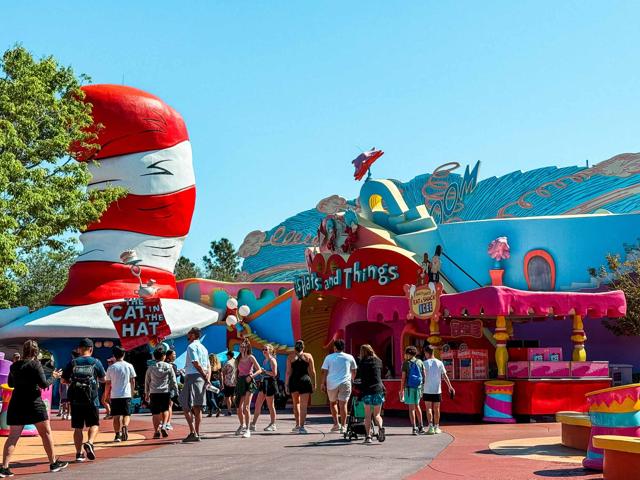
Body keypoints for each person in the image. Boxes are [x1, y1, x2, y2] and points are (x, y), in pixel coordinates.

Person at [0, 340, 68, 476]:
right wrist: (53, 377)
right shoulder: (36, 365)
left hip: (17, 404)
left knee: (13, 437)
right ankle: (53, 463)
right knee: (46, 433)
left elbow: (11, 384)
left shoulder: (14, 366)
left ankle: (4, 467)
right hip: (34, 403)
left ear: (24, 351)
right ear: (36, 352)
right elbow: (44, 384)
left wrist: (15, 367)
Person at [62, 338, 106, 462]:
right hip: (92, 399)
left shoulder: (73, 363)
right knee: (94, 424)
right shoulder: (96, 362)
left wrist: (73, 382)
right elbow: (104, 379)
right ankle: (90, 442)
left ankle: (79, 454)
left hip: (76, 400)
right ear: (91, 349)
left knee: (78, 428)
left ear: (79, 349)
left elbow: (63, 380)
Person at [180, 327, 210, 442]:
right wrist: (206, 378)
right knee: (198, 407)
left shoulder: (191, 346)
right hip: (201, 378)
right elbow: (208, 366)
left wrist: (203, 375)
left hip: (192, 376)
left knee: (185, 404)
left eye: (189, 333)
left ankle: (193, 432)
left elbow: (195, 362)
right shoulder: (204, 348)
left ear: (193, 335)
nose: (187, 335)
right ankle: (197, 433)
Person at [320, 339, 357, 433]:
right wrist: (352, 380)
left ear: (335, 347)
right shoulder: (349, 357)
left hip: (331, 383)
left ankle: (336, 424)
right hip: (345, 383)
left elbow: (324, 371)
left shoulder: (329, 357)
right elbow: (354, 370)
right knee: (343, 404)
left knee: (333, 403)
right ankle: (343, 426)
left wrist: (322, 383)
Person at [104, 346, 136, 442]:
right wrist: (132, 392)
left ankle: (117, 435)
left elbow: (108, 383)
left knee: (116, 417)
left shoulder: (111, 368)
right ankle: (125, 426)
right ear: (124, 354)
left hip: (115, 395)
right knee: (126, 414)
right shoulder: (129, 366)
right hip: (126, 394)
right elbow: (132, 380)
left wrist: (106, 395)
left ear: (114, 355)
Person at [145, 348, 177, 439]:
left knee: (155, 413)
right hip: (165, 391)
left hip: (154, 392)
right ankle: (164, 425)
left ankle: (156, 432)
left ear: (155, 357)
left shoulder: (151, 368)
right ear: (164, 356)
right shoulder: (169, 367)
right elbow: (173, 380)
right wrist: (176, 391)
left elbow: (147, 381)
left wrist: (146, 393)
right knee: (165, 410)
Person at [285, 340, 316, 434]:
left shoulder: (290, 357)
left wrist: (286, 385)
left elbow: (288, 372)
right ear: (303, 347)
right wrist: (314, 383)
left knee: (296, 404)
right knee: (303, 406)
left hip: (294, 381)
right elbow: (313, 371)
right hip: (305, 381)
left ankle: (297, 425)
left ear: (295, 347)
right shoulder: (308, 356)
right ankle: (302, 427)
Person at [422, 346, 455, 435]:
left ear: (427, 353)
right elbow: (445, 375)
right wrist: (450, 386)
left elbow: (422, 376)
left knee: (428, 408)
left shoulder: (424, 363)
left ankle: (430, 427)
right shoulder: (440, 363)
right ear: (433, 352)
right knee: (437, 409)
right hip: (437, 389)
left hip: (427, 389)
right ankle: (437, 427)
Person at [357, 344, 385, 444]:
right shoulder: (378, 361)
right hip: (378, 389)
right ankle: (380, 428)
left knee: (367, 415)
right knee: (377, 415)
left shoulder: (362, 362)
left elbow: (360, 376)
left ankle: (368, 437)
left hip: (367, 390)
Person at [234, 340, 261, 438]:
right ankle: (242, 425)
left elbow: (259, 370)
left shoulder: (251, 357)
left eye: (243, 347)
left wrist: (251, 376)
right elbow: (237, 371)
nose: (241, 348)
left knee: (246, 407)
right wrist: (235, 379)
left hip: (249, 382)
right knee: (238, 408)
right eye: (240, 346)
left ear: (247, 348)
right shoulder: (238, 358)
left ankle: (248, 430)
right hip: (240, 382)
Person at [250, 344, 278, 432]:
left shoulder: (272, 360)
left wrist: (264, 371)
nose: (264, 351)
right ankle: (253, 424)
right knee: (258, 404)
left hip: (270, 383)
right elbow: (264, 372)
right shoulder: (265, 360)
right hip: (263, 382)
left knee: (270, 405)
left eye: (266, 349)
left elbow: (274, 374)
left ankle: (273, 424)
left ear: (270, 350)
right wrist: (262, 373)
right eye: (263, 349)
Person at [400, 346, 426, 435]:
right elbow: (424, 375)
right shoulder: (420, 362)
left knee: (411, 408)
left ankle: (414, 428)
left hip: (409, 387)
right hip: (418, 387)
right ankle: (421, 426)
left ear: (408, 354)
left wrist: (401, 390)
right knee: (417, 406)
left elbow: (403, 378)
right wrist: (422, 386)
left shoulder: (406, 363)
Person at [164, 349, 180, 430]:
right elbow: (174, 377)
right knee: (169, 405)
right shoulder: (173, 366)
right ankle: (168, 423)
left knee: (164, 406)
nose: (175, 356)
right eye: (173, 354)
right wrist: (179, 373)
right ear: (169, 356)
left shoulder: (162, 365)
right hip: (171, 387)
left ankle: (163, 422)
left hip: (162, 387)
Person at [221, 351, 236, 416]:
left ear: (229, 355)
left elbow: (223, 372)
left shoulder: (228, 363)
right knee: (234, 395)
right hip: (235, 381)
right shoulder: (236, 362)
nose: (226, 356)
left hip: (228, 382)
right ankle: (238, 408)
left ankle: (229, 410)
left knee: (228, 397)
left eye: (227, 355)